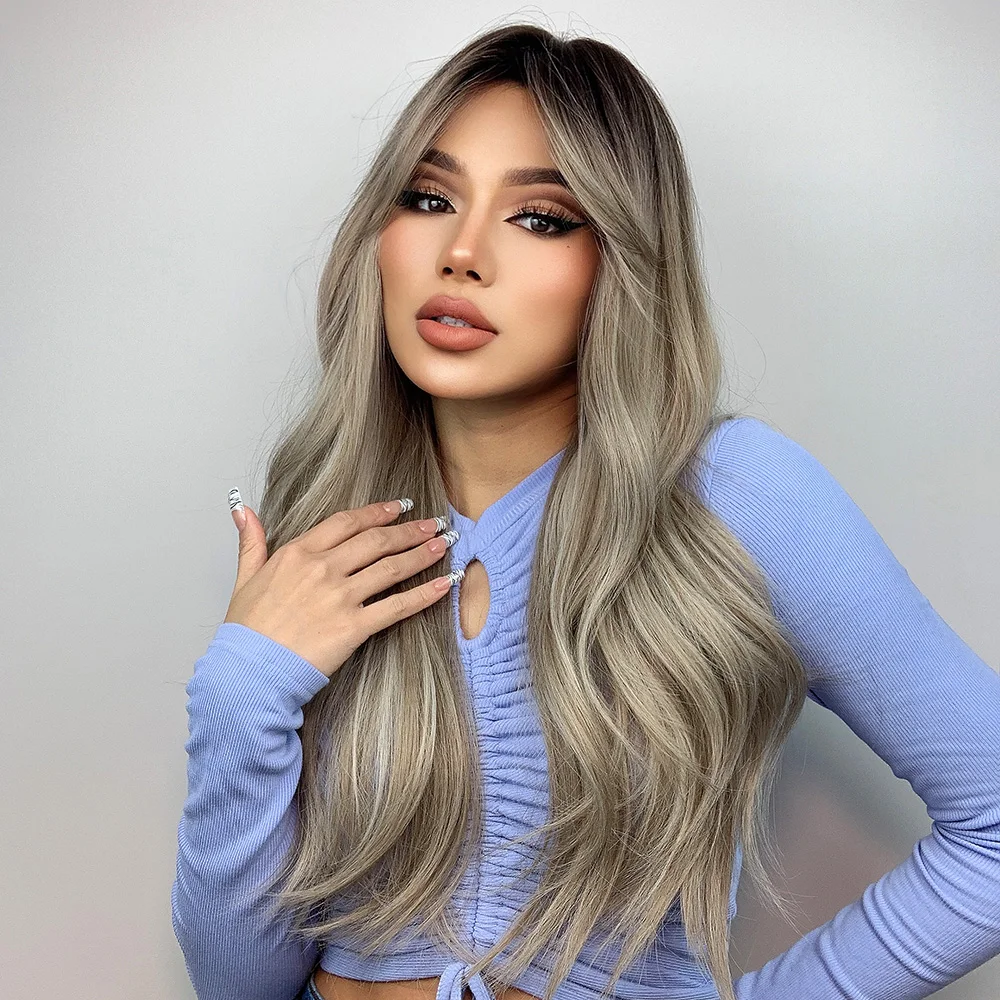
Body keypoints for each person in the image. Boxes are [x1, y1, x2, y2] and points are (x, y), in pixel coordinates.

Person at [170, 22, 1000, 1000]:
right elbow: (240, 986)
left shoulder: (735, 493)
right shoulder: (331, 527)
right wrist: (242, 690)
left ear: (620, 262)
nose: (462, 252)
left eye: (539, 218)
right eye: (429, 199)